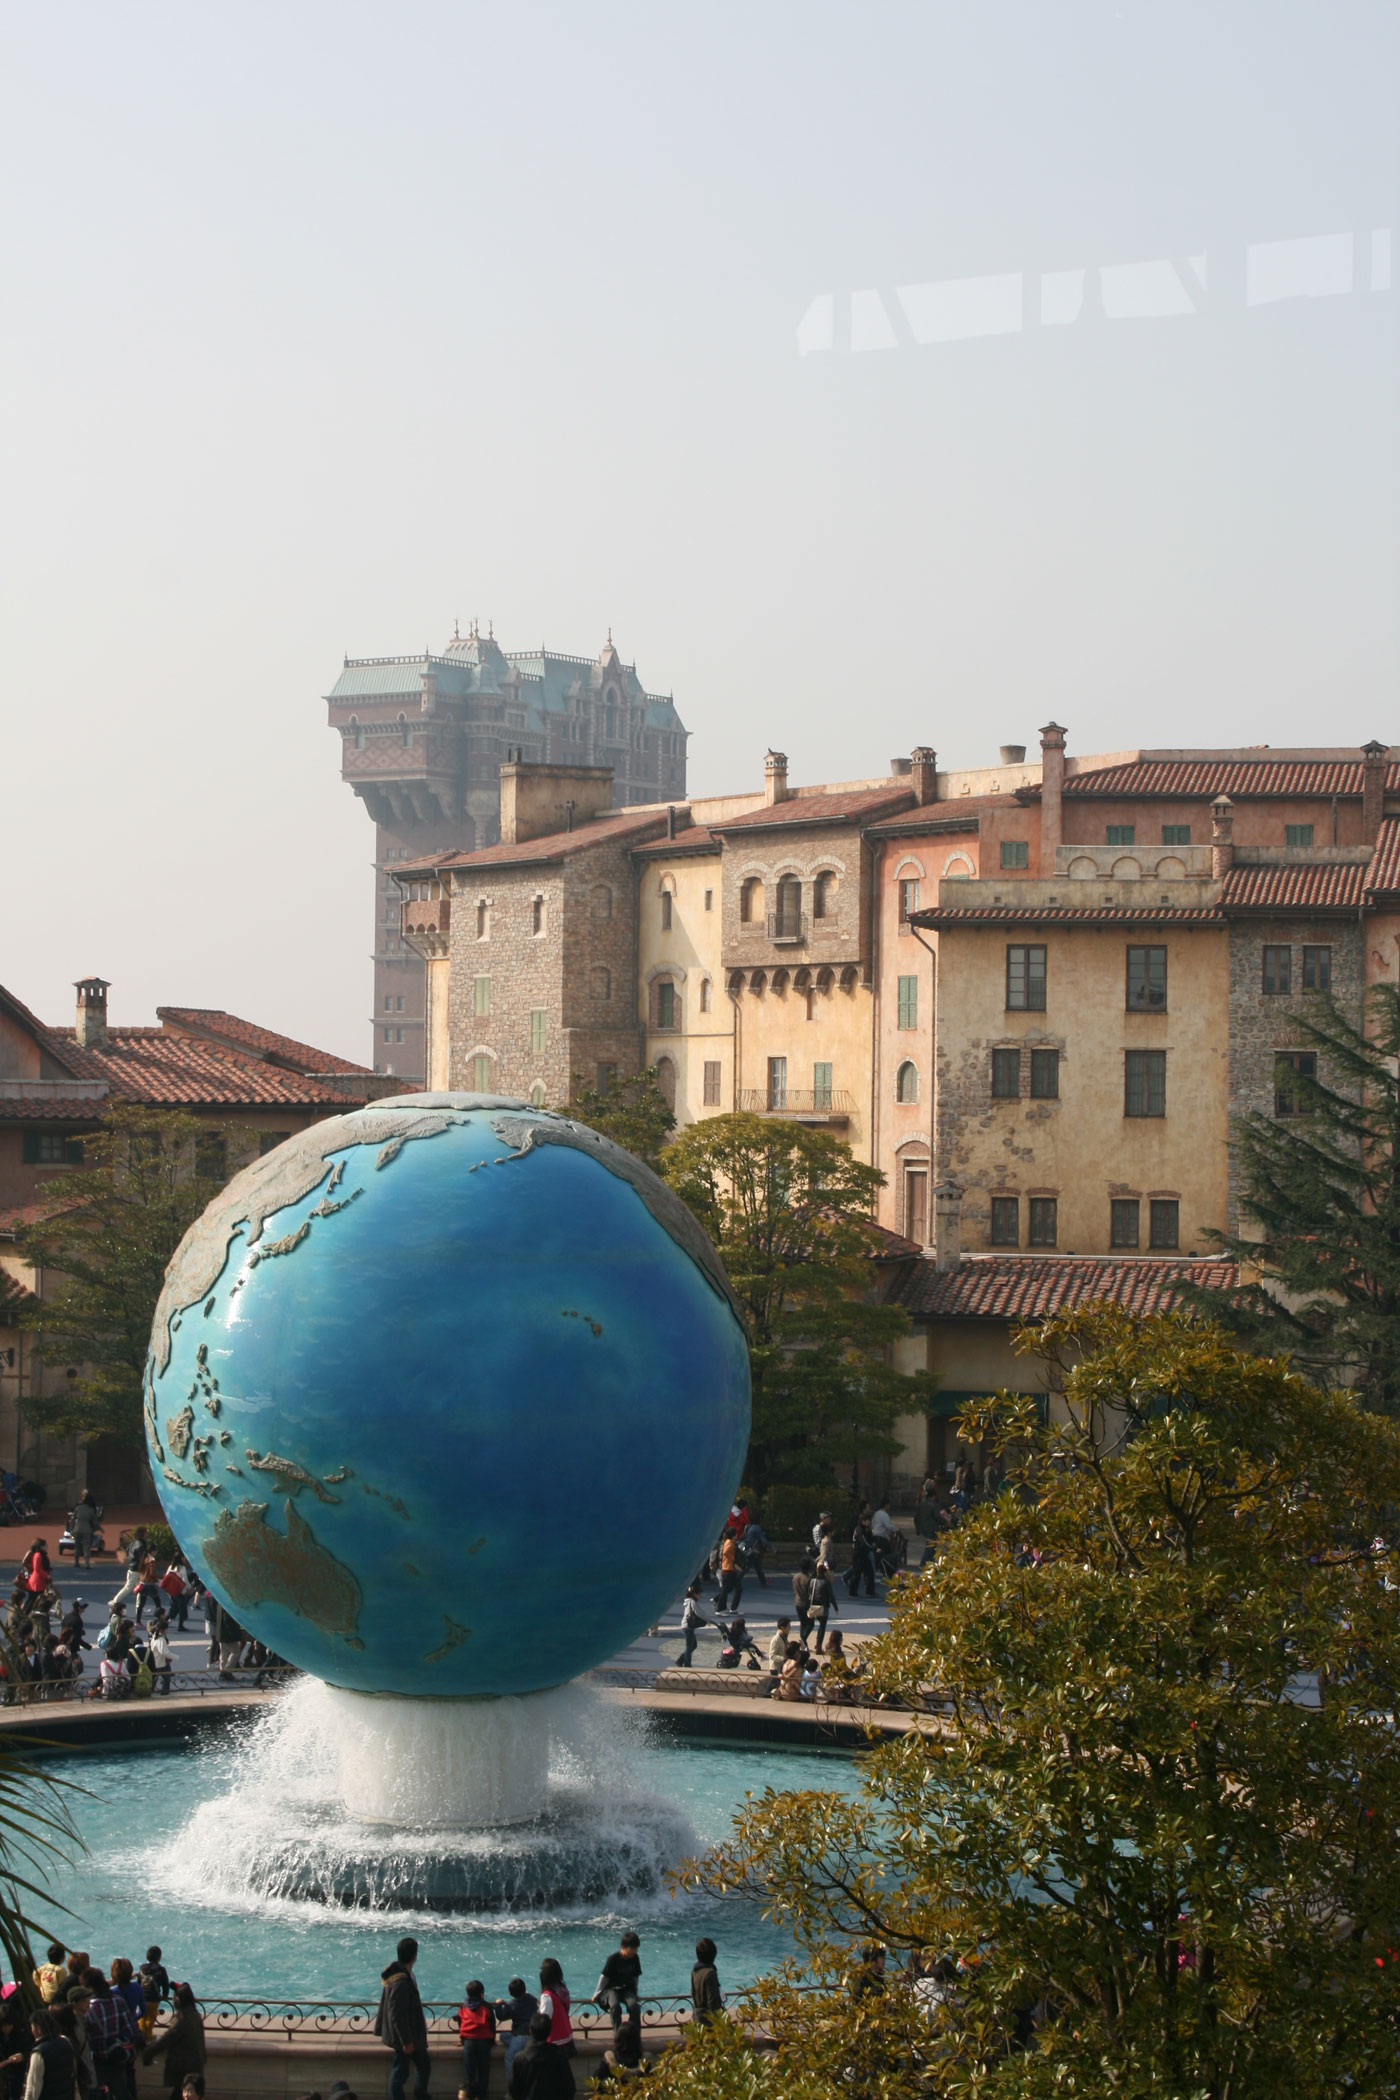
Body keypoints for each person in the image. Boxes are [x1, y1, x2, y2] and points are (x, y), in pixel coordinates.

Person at [375, 1937, 429, 2100]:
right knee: (400, 2074)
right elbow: (397, 2014)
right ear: (414, 1956)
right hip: (406, 2037)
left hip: (410, 2034)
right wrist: (406, 2041)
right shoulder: (400, 1982)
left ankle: (421, 2095)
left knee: (421, 2067)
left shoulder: (400, 1974)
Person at [141, 1983, 205, 2099]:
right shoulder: (195, 2015)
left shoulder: (182, 2019)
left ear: (179, 2000)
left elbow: (166, 2040)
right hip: (195, 2066)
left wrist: (148, 2053)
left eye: (175, 1997)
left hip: (183, 2069)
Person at [83, 1970, 138, 2100]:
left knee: (97, 2094)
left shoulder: (89, 2008)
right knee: (121, 2093)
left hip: (98, 2059)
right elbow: (131, 2029)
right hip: (116, 2055)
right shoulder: (118, 2001)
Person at [506, 2014, 574, 2100]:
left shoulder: (520, 2059)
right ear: (550, 2031)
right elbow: (569, 2087)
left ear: (530, 2031)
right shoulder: (560, 2057)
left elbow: (513, 2087)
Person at [594, 1933, 640, 2042]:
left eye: (636, 1949)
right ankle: (618, 2036)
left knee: (634, 2007)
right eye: (632, 1949)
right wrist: (597, 1994)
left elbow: (635, 1977)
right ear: (623, 1947)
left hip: (626, 1989)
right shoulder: (613, 1959)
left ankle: (634, 2036)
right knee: (615, 2007)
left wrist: (635, 1993)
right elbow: (604, 1977)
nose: (634, 1952)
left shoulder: (635, 1958)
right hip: (611, 1989)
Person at [18, 2012, 71, 2100]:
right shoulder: (66, 2043)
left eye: (32, 2026)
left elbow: (32, 2090)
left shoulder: (39, 2053)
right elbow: (73, 2078)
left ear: (38, 2029)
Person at [456, 1981, 495, 2100]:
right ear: (481, 1994)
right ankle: (482, 2096)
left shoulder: (463, 2006)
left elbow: (460, 2023)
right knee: (484, 2072)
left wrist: (462, 2039)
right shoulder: (486, 2007)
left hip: (468, 2042)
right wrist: (492, 2040)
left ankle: (470, 2096)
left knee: (469, 2073)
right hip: (484, 2042)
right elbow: (492, 2025)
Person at [493, 1982, 538, 2082]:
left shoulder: (512, 2005)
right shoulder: (531, 1999)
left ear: (510, 1992)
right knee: (503, 2036)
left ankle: (512, 2085)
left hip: (520, 2035)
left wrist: (499, 2004)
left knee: (509, 2057)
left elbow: (501, 2016)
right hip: (532, 2034)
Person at [107, 1530, 147, 1618]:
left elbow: (127, 1551)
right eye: (145, 1534)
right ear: (143, 1535)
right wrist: (142, 1567)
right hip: (137, 1570)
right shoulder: (142, 1545)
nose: (146, 1535)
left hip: (131, 1568)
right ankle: (114, 1602)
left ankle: (139, 1607)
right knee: (129, 1588)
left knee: (140, 1589)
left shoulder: (133, 1543)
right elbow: (141, 1558)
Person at [536, 1963, 572, 2058]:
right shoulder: (563, 1989)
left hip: (555, 2042)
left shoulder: (547, 1996)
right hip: (567, 2037)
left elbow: (543, 2021)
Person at [844, 1510, 878, 1600]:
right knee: (857, 1574)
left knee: (870, 1572)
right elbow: (864, 1542)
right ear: (862, 1521)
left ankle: (870, 1591)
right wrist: (873, 1548)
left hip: (864, 1554)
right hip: (858, 1554)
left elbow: (871, 1539)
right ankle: (852, 1592)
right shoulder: (859, 1529)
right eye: (867, 1520)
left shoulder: (867, 1529)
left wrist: (874, 1541)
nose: (869, 1522)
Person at [675, 1585, 710, 1669]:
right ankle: (687, 1664)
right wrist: (708, 1620)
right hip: (688, 1627)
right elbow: (699, 1612)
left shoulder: (688, 1601)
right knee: (689, 1646)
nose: (699, 1595)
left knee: (693, 1645)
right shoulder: (692, 1602)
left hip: (686, 1626)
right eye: (698, 1594)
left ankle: (680, 1660)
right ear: (694, 1594)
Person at [690, 1940, 722, 2025]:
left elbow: (693, 1992)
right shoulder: (710, 1973)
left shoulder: (695, 1971)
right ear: (714, 1955)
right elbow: (712, 2002)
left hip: (697, 2016)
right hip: (708, 2020)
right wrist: (719, 2020)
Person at [807, 1563, 838, 1653]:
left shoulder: (812, 1581)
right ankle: (818, 1645)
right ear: (825, 1573)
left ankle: (807, 1641)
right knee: (822, 1626)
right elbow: (831, 1596)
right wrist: (835, 1607)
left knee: (811, 1624)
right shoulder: (826, 1582)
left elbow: (809, 1593)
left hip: (813, 1605)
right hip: (823, 1606)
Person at [711, 1532, 742, 1614]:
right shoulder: (729, 1543)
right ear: (733, 1535)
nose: (736, 1535)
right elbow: (726, 1552)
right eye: (735, 1534)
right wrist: (733, 1559)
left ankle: (726, 1606)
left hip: (729, 1569)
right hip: (728, 1569)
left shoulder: (726, 1542)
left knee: (732, 1588)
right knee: (727, 1589)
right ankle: (720, 1609)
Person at [739, 1513, 768, 1587]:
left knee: (756, 1565)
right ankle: (737, 1580)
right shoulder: (757, 1528)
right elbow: (763, 1539)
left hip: (748, 1548)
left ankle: (763, 1581)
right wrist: (771, 1547)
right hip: (753, 1550)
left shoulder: (748, 1526)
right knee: (748, 1567)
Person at [69, 1496, 98, 1570]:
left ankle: (76, 1562)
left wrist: (71, 1529)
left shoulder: (77, 1508)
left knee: (77, 1546)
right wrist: (97, 1528)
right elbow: (94, 1522)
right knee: (86, 1547)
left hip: (77, 1529)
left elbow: (73, 1519)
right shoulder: (90, 1510)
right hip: (87, 1530)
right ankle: (87, 1563)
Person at [790, 1559, 813, 1647]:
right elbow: (810, 1593)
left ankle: (803, 1641)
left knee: (803, 1623)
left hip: (797, 1602)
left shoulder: (795, 1577)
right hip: (806, 1604)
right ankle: (803, 1639)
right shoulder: (808, 1579)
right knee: (810, 1624)